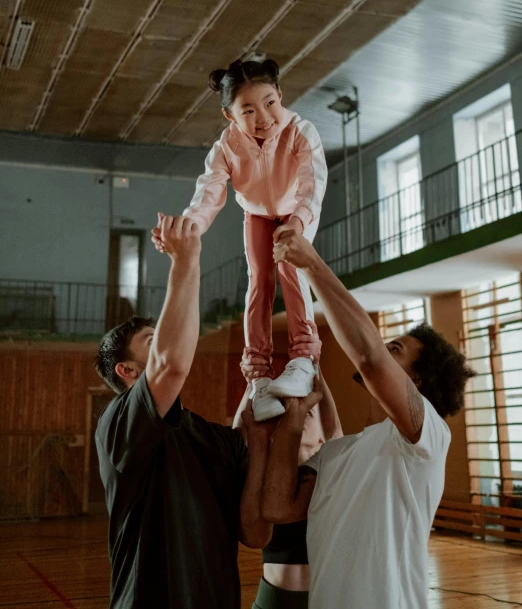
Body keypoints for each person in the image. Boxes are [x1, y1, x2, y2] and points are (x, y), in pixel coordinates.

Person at [262, 229, 476, 609]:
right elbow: (279, 508)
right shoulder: (336, 454)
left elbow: (370, 358)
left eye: (395, 349)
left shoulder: (428, 438)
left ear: (415, 381)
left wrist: (312, 264)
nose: (383, 351)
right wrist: (293, 421)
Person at [94, 215, 271, 609]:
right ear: (128, 371)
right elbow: (171, 364)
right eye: (151, 340)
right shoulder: (118, 422)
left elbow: (256, 535)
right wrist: (186, 260)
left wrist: (259, 438)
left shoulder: (217, 439)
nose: (165, 343)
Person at [154, 57, 328, 421]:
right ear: (230, 116)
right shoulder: (226, 148)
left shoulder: (301, 131)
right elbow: (208, 195)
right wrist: (188, 227)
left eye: (269, 102)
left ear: (280, 95)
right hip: (258, 215)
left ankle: (304, 359)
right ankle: (259, 377)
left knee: (291, 270)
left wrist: (298, 222)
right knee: (258, 284)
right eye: (248, 109)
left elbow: (313, 184)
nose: (264, 116)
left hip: (296, 212)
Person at [234, 345, 343, 609]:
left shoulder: (326, 468)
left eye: (306, 411)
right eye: (284, 410)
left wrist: (315, 364)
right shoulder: (265, 475)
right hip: (277, 601)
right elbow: (240, 431)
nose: (295, 412)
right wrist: (252, 384)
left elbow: (333, 427)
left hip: (328, 599)